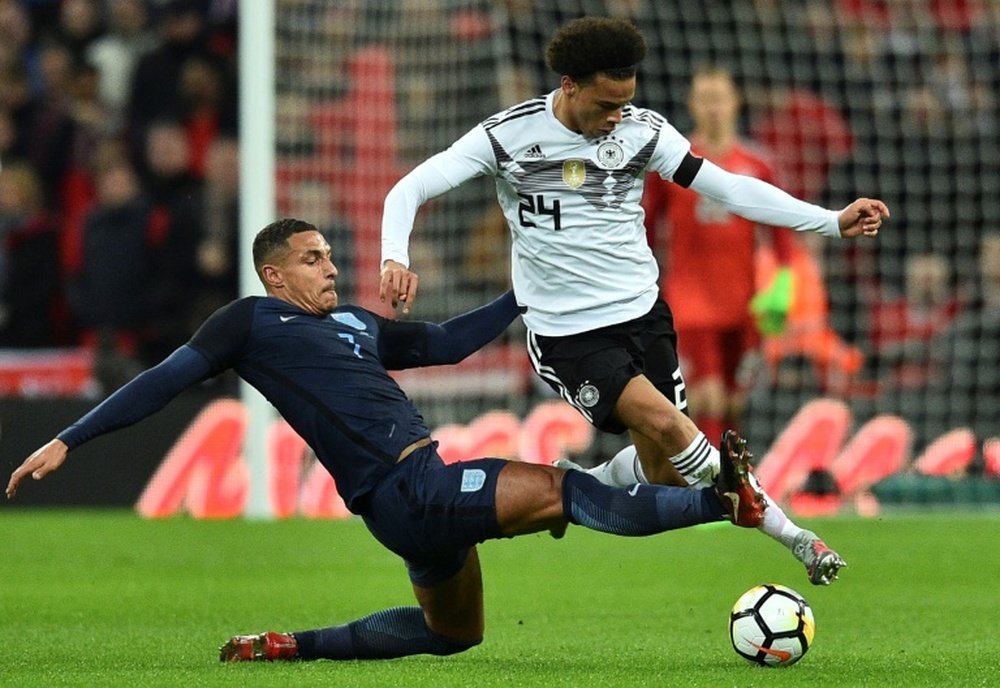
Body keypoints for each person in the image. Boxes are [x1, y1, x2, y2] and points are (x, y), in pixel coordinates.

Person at [6, 218, 765, 663]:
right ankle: (720, 503)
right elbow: (164, 379)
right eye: (313, 259)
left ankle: (288, 647)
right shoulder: (249, 322)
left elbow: (446, 343)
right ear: (274, 273)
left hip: (404, 503)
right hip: (412, 490)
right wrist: (71, 437)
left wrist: (523, 292)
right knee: (565, 491)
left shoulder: (358, 325)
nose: (332, 267)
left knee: (452, 635)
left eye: (332, 256)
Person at [379, 16, 889, 586]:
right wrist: (394, 257)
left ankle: (580, 481)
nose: (616, 116)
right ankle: (799, 539)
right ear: (568, 85)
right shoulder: (507, 136)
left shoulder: (643, 132)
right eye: (605, 104)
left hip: (644, 318)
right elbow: (411, 187)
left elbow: (730, 187)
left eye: (626, 102)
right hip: (568, 335)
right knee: (672, 427)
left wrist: (829, 221)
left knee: (664, 478)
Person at [642, 64, 797, 444]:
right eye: (705, 99)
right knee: (705, 396)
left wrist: (783, 285)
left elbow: (781, 234)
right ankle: (708, 490)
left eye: (720, 99)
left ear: (734, 104)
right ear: (692, 105)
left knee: (733, 401)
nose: (713, 108)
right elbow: (643, 225)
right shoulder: (672, 163)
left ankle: (731, 486)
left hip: (744, 302)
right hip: (690, 302)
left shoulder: (757, 165)